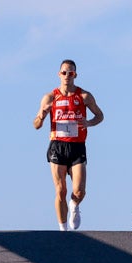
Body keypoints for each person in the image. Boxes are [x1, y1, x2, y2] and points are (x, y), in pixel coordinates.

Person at [33, 59, 104, 230]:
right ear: (59, 74)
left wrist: (88, 123)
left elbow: (100, 115)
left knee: (79, 191)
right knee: (60, 191)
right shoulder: (50, 97)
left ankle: (74, 205)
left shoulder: (84, 96)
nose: (67, 76)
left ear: (75, 75)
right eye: (64, 72)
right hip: (57, 146)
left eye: (70, 73)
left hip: (77, 146)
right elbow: (36, 125)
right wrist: (42, 115)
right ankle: (63, 230)